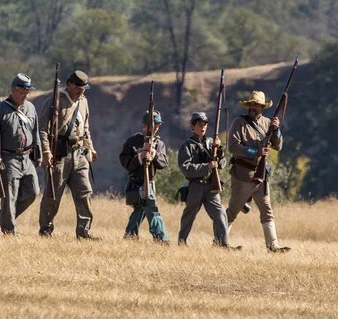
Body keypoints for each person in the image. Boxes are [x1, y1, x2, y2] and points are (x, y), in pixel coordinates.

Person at [226, 91, 291, 253]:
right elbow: (233, 146)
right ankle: (220, 241)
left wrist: (275, 130)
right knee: (233, 210)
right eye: (251, 104)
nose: (252, 107)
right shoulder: (239, 122)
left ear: (262, 107)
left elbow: (278, 145)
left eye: (256, 105)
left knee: (267, 210)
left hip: (261, 175)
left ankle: (273, 246)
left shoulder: (268, 123)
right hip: (243, 173)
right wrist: (255, 153)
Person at [38, 70, 99, 240]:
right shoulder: (54, 101)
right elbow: (42, 129)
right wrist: (46, 152)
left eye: (84, 88)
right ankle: (45, 229)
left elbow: (85, 129)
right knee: (53, 194)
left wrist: (91, 148)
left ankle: (84, 231)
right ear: (70, 85)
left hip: (80, 153)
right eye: (79, 88)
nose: (82, 92)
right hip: (59, 154)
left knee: (84, 192)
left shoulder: (84, 102)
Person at [0, 73, 42, 235]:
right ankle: (9, 230)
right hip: (8, 158)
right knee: (10, 196)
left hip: (26, 156)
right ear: (13, 90)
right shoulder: (0, 110)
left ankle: (4, 217)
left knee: (33, 192)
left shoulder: (30, 108)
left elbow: (35, 132)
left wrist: (38, 155)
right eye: (22, 92)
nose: (26, 95)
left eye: (28, 92)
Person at [176, 112, 241, 249]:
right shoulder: (187, 145)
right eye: (199, 124)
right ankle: (182, 243)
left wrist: (220, 150)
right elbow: (185, 168)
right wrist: (207, 166)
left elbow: (222, 164)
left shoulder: (212, 143)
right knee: (190, 215)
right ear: (192, 127)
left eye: (205, 124)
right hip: (196, 185)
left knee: (220, 213)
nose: (203, 127)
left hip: (211, 185)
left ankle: (222, 243)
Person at [119, 110, 170, 243]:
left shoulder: (159, 144)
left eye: (158, 125)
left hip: (150, 182)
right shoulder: (132, 142)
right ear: (144, 125)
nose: (157, 128)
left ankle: (129, 236)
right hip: (136, 182)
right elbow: (126, 163)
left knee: (140, 210)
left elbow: (163, 163)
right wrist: (140, 158)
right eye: (154, 124)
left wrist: (153, 155)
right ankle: (161, 238)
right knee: (152, 209)